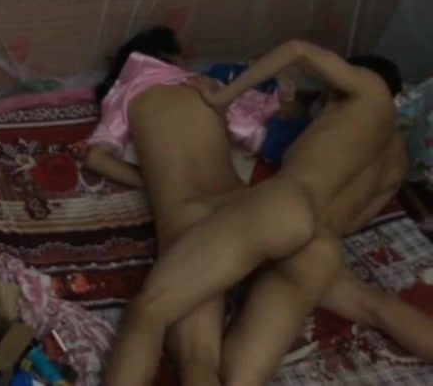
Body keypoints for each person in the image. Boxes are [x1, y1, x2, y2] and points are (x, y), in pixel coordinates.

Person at [86, 27, 433, 386]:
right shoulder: (206, 85)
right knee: (373, 306)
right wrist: (248, 99)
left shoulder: (123, 96)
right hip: (297, 229)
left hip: (235, 212)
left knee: (177, 338)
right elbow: (258, 134)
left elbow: (96, 156)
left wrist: (152, 177)